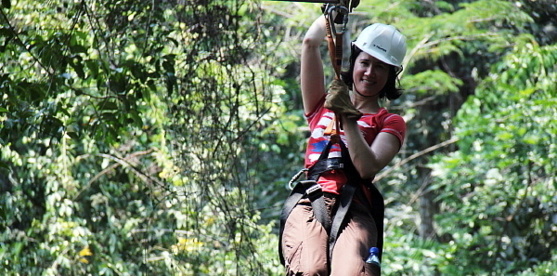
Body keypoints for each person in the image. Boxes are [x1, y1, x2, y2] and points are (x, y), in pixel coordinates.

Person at [279, 14, 407, 276]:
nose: (370, 72)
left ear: (390, 75)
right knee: (309, 269)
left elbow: (367, 168)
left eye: (380, 67)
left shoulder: (390, 121)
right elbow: (310, 44)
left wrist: (348, 117)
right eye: (365, 63)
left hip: (355, 205)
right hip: (311, 198)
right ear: (355, 62)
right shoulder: (322, 104)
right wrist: (330, 15)